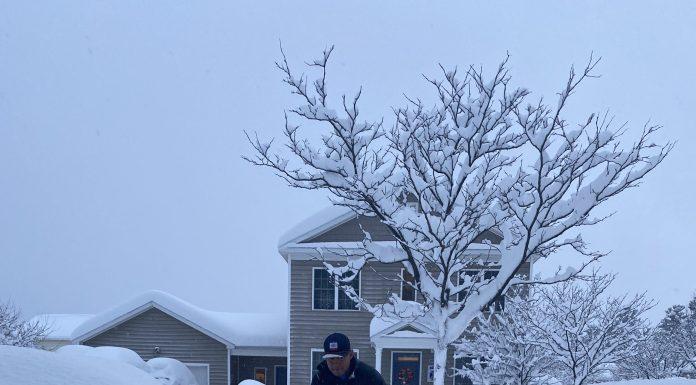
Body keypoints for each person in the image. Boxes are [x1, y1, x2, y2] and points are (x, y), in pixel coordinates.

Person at [311, 332, 386, 385]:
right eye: (331, 359)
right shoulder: (320, 379)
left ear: (350, 354)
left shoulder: (369, 377)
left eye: (340, 358)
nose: (336, 365)